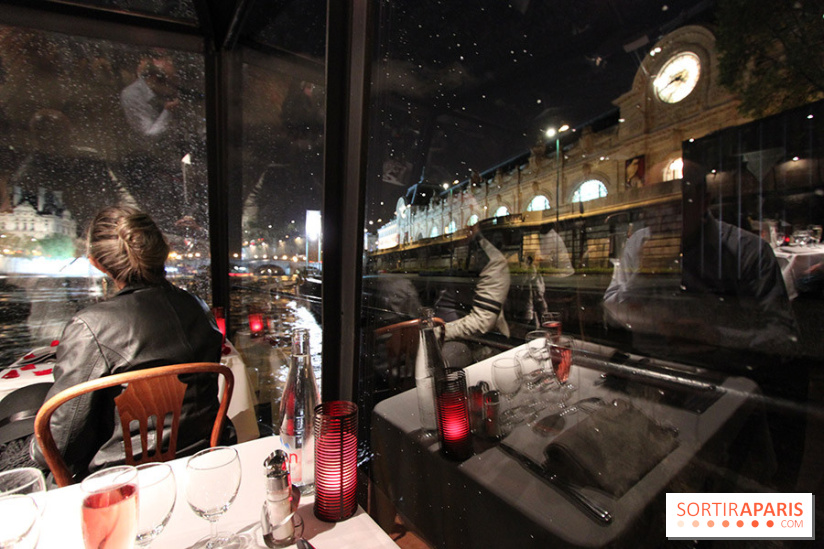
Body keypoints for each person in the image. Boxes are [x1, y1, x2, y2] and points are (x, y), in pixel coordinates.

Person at [29, 206, 226, 483]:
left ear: (97, 262)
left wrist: (32, 449)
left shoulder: (90, 326)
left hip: (116, 479)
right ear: (162, 251)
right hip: (202, 457)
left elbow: (59, 444)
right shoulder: (197, 308)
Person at [435, 226, 511, 367]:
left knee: (441, 359)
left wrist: (437, 332)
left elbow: (483, 322)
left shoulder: (492, 260)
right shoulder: (466, 251)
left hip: (478, 342)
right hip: (451, 332)